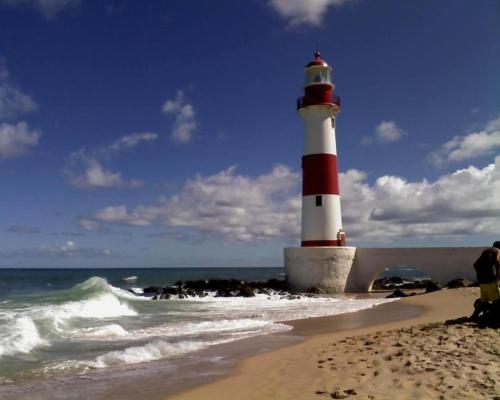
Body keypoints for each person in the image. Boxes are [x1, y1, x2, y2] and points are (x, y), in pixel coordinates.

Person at [470, 241, 500, 319]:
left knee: (484, 300)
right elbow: (497, 261)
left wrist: (479, 274)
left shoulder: (486, 250)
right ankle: (493, 316)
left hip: (482, 279)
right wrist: (497, 275)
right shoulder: (497, 250)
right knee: (496, 299)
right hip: (490, 278)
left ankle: (476, 316)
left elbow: (475, 264)